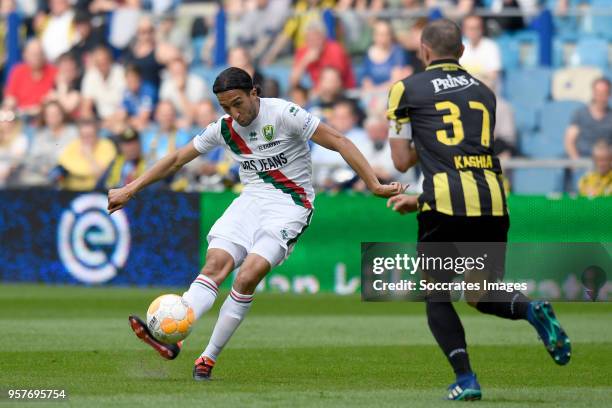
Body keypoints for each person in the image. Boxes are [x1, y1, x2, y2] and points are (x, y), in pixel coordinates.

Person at [108, 67, 403, 380]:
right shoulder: (224, 128)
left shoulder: (285, 114)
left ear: (254, 93)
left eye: (238, 103)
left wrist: (372, 182)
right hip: (251, 202)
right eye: (225, 108)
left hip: (290, 206)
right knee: (214, 265)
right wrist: (130, 189)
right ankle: (174, 338)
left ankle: (207, 359)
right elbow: (178, 159)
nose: (234, 113)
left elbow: (339, 140)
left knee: (247, 275)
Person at [384, 19, 571, 401]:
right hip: (491, 199)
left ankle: (466, 378)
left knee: (438, 296)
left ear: (423, 50)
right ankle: (532, 309)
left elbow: (402, 161)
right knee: (480, 294)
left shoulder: (406, 89)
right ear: (463, 52)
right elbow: (464, 151)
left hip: (443, 203)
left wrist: (420, 178)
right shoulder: (485, 91)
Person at [55, 118, 116, 191]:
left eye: (90, 136)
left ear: (97, 134)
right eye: (83, 136)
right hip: (70, 190)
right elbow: (62, 166)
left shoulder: (106, 146)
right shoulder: (73, 145)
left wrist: (89, 156)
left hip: (96, 191)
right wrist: (87, 172)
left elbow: (101, 176)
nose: (86, 139)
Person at [564, 78, 612, 160]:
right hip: (583, 161)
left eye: (604, 92)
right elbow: (569, 141)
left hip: (606, 163)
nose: (600, 96)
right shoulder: (580, 114)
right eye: (598, 92)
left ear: (609, 94)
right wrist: (576, 161)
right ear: (593, 93)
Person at [459, 14, 502, 86]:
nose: (473, 31)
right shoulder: (458, 47)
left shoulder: (491, 47)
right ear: (464, 30)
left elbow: (493, 77)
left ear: (482, 29)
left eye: (476, 28)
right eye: (470, 28)